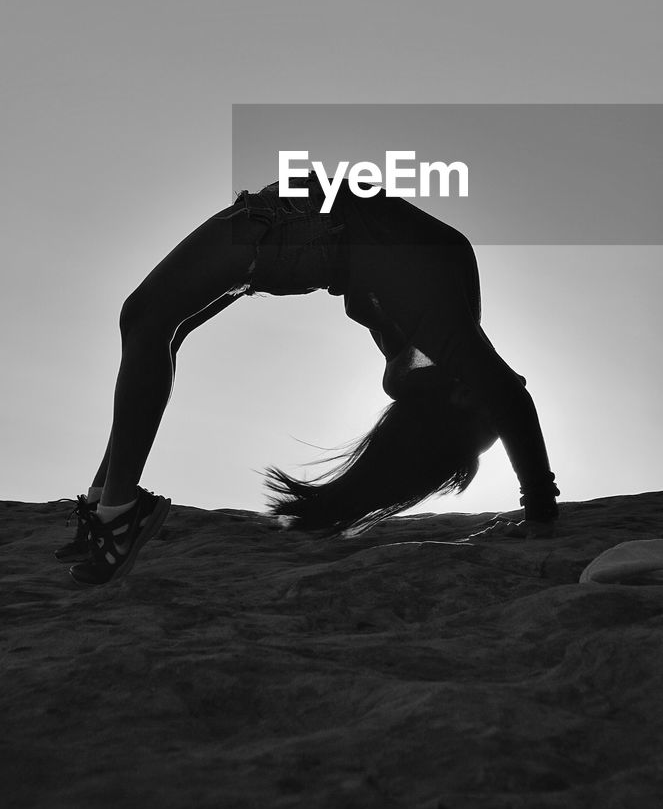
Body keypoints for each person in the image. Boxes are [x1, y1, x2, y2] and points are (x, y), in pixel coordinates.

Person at [57, 169, 560, 587]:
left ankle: (117, 513)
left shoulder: (442, 326)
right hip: (294, 225)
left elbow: (510, 397)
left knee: (145, 317)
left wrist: (539, 509)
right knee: (162, 326)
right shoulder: (439, 332)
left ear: (458, 401)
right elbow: (501, 391)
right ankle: (105, 501)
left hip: (290, 227)